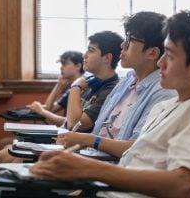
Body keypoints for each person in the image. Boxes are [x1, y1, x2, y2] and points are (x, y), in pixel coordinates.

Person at [30, 9, 190, 198]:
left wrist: (89, 169)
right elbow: (134, 163)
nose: (160, 62)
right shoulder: (166, 106)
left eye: (170, 56)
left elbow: (182, 185)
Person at [57, 11, 176, 156]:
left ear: (152, 53)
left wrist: (91, 141)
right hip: (91, 158)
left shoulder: (163, 93)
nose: (123, 45)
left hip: (114, 169)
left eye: (130, 39)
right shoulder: (126, 81)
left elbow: (137, 150)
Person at [0, 31, 122, 163]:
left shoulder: (110, 89)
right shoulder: (89, 83)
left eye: (91, 50)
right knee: (4, 154)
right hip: (66, 140)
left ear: (107, 58)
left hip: (81, 149)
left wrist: (75, 87)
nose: (84, 55)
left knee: (11, 158)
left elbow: (73, 124)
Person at [29, 50, 84, 126]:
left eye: (65, 64)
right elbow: (50, 108)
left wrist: (42, 111)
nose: (61, 67)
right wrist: (58, 86)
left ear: (78, 66)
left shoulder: (84, 89)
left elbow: (71, 123)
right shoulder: (71, 90)